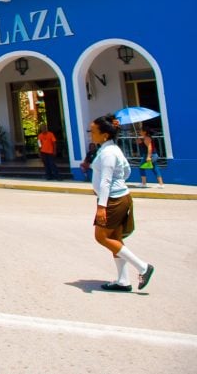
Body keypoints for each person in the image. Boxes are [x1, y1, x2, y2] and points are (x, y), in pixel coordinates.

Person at [89, 113, 154, 292]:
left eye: (93, 131)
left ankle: (143, 267)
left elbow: (106, 181)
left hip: (112, 200)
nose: (90, 134)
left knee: (101, 237)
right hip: (118, 197)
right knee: (115, 239)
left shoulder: (108, 153)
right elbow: (126, 171)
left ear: (105, 135)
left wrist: (102, 206)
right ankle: (123, 280)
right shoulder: (110, 149)